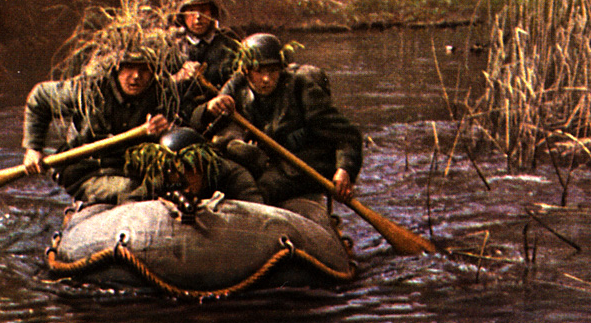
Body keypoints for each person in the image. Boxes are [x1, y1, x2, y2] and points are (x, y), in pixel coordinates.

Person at [192, 33, 363, 206]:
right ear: (246, 71)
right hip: (267, 161)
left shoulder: (301, 87)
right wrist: (208, 109)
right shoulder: (237, 86)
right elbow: (197, 124)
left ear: (281, 69)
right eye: (259, 72)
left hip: (304, 166)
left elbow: (347, 135)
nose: (266, 79)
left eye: (273, 71)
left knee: (258, 191)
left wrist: (345, 169)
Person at [22, 49, 181, 204]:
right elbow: (40, 97)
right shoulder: (89, 89)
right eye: (129, 68)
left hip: (131, 169)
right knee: (129, 189)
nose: (136, 76)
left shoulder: (162, 93)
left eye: (144, 69)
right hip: (86, 171)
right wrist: (33, 148)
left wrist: (163, 129)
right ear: (116, 68)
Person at [124, 127, 263, 204]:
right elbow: (129, 206)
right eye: (174, 170)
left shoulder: (231, 175)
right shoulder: (163, 177)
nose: (181, 178)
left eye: (189, 170)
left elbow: (258, 212)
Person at [169, 0, 240, 91]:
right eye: (191, 11)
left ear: (212, 13)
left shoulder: (228, 44)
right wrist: (177, 77)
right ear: (182, 16)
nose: (198, 17)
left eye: (203, 10)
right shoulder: (172, 47)